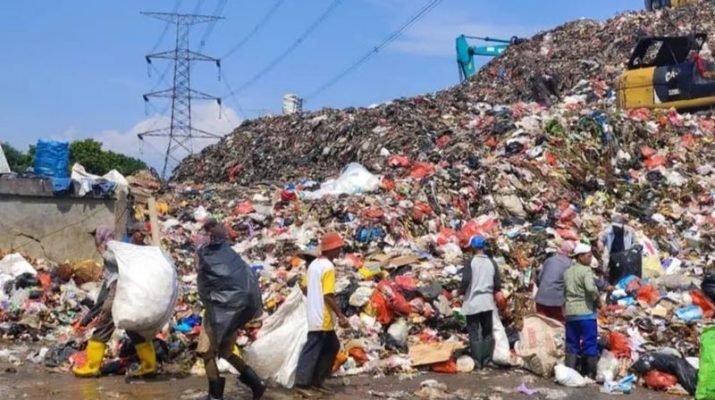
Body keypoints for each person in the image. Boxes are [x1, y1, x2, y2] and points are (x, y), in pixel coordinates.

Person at [73, 223, 157, 378]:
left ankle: (91, 367)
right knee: (131, 327)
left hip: (122, 289)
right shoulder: (123, 246)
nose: (94, 240)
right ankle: (149, 365)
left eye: (95, 237)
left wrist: (102, 252)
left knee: (104, 324)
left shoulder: (116, 248)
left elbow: (120, 263)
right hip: (127, 289)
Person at [196, 219, 265, 400]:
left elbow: (205, 284)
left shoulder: (207, 256)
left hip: (216, 313)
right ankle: (257, 384)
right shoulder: (231, 255)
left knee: (206, 352)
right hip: (233, 313)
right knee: (226, 352)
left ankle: (215, 395)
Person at [294, 232, 349, 397]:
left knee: (331, 346)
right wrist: (340, 315)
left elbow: (304, 288)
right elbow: (328, 295)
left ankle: (317, 381)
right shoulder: (328, 267)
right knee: (312, 348)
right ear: (331, 249)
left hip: (314, 312)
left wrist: (313, 298)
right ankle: (303, 384)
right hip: (322, 316)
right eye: (338, 248)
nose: (339, 251)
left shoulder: (314, 265)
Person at [459, 236, 502, 369]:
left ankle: (477, 361)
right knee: (487, 330)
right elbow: (497, 283)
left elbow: (466, 280)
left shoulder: (470, 262)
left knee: (473, 330)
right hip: (487, 302)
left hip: (473, 301)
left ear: (472, 247)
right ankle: (487, 359)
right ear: (483, 247)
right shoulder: (492, 262)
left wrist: (460, 292)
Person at [564, 243, 600, 379]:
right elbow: (590, 289)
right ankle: (590, 373)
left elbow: (565, 292)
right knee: (589, 342)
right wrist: (596, 297)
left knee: (572, 343)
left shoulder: (568, 272)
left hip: (570, 313)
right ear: (580, 257)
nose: (591, 259)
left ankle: (570, 372)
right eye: (589, 256)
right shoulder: (586, 271)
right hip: (585, 313)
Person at [534, 241, 574, 323]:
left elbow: (539, 279)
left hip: (540, 298)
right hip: (556, 301)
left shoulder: (549, 260)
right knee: (557, 325)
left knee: (542, 324)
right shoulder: (570, 265)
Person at [600, 214, 637, 283]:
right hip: (613, 255)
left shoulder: (629, 231)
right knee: (612, 272)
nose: (616, 229)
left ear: (623, 225)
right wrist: (601, 245)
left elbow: (635, 242)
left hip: (624, 255)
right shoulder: (608, 231)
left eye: (618, 227)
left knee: (623, 273)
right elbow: (601, 240)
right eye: (614, 227)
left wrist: (632, 252)